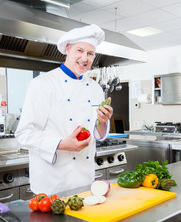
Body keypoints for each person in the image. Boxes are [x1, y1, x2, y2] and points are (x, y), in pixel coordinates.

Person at [15, 24, 113, 195]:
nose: (85, 58)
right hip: (52, 181)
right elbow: (24, 133)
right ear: (67, 49)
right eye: (79, 51)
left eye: (90, 54)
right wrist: (61, 144)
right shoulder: (42, 84)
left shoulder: (95, 88)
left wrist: (103, 122)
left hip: (84, 180)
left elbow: (98, 133)